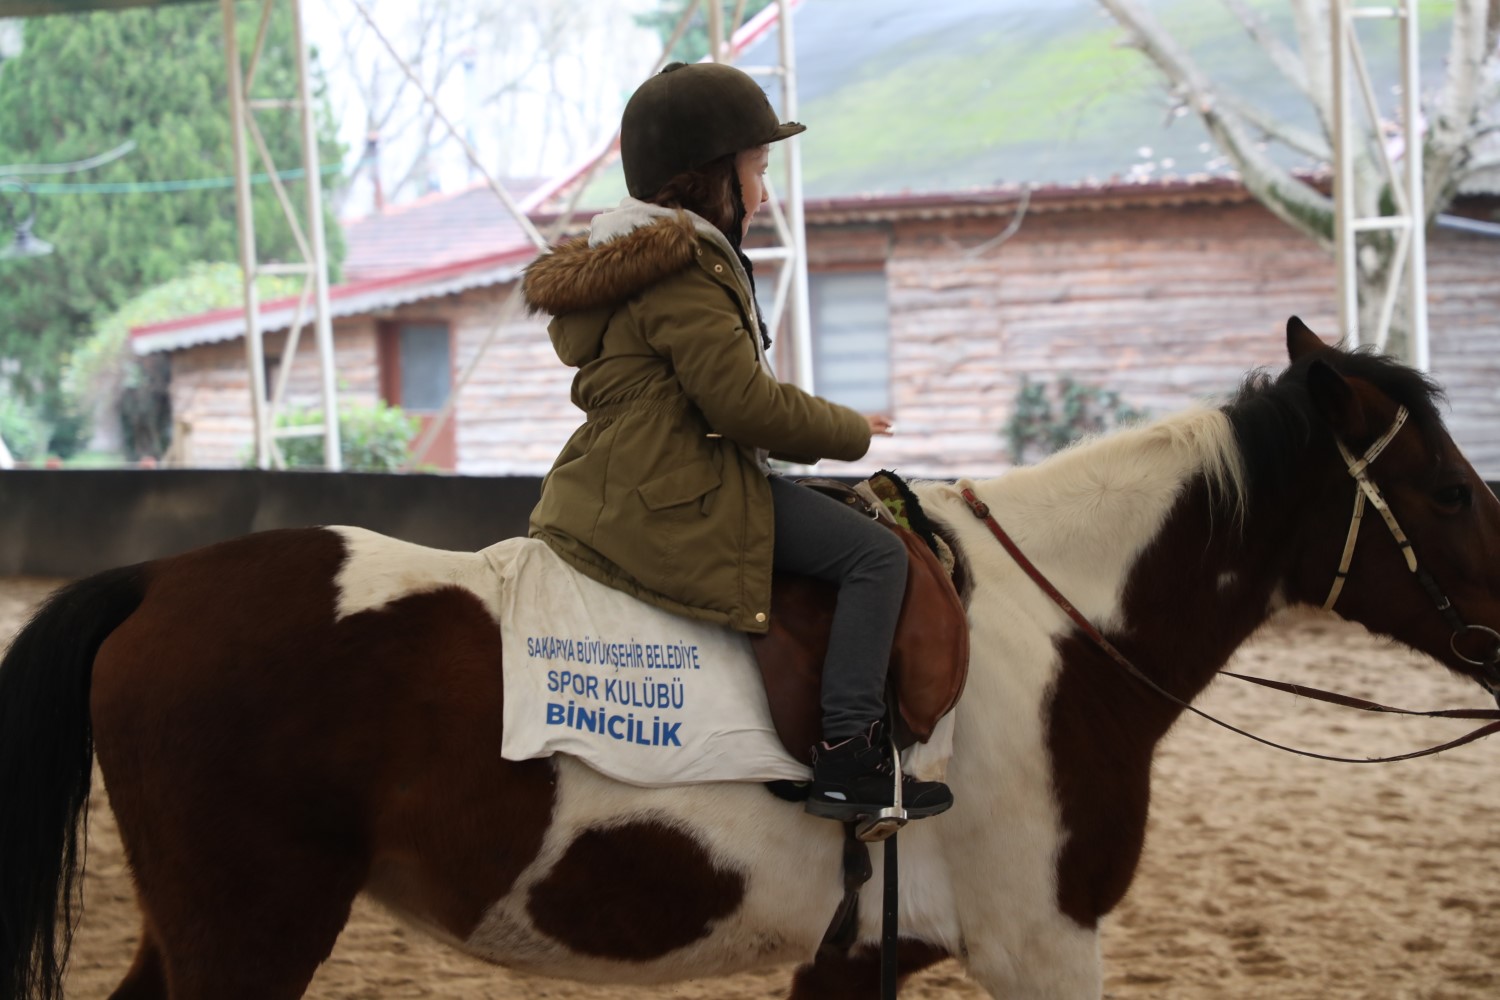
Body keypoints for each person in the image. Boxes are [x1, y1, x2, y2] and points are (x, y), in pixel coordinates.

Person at [521, 61, 951, 823]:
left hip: (620, 481)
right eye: (756, 170)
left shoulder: (643, 260)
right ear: (710, 179)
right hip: (676, 492)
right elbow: (743, 405)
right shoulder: (684, 265)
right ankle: (851, 755)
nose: (763, 193)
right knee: (875, 555)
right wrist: (848, 428)